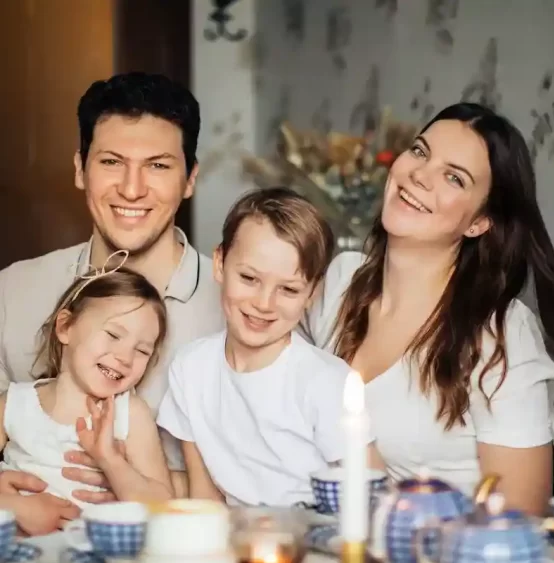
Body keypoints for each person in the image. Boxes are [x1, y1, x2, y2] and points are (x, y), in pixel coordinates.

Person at [303, 102, 554, 516]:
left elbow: (519, 520)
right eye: (421, 152)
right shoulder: (339, 281)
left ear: (479, 223)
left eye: (454, 178)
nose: (419, 175)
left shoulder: (499, 335)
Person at [0, 72, 223, 519]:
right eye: (111, 162)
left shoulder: (238, 309)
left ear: (190, 179)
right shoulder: (13, 291)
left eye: (158, 165)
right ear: (80, 169)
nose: (132, 188)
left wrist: (139, 479)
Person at [157, 188, 383, 506]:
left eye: (289, 289)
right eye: (249, 278)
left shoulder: (327, 382)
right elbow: (204, 495)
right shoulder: (190, 368)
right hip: (235, 542)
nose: (264, 304)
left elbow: (372, 494)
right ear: (219, 263)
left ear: (313, 293)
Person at [0, 254, 173, 518]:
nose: (125, 358)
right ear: (65, 326)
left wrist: (111, 461)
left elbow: (163, 507)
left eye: (142, 350)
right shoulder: (14, 403)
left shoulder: (130, 414)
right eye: (113, 335)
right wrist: (17, 507)